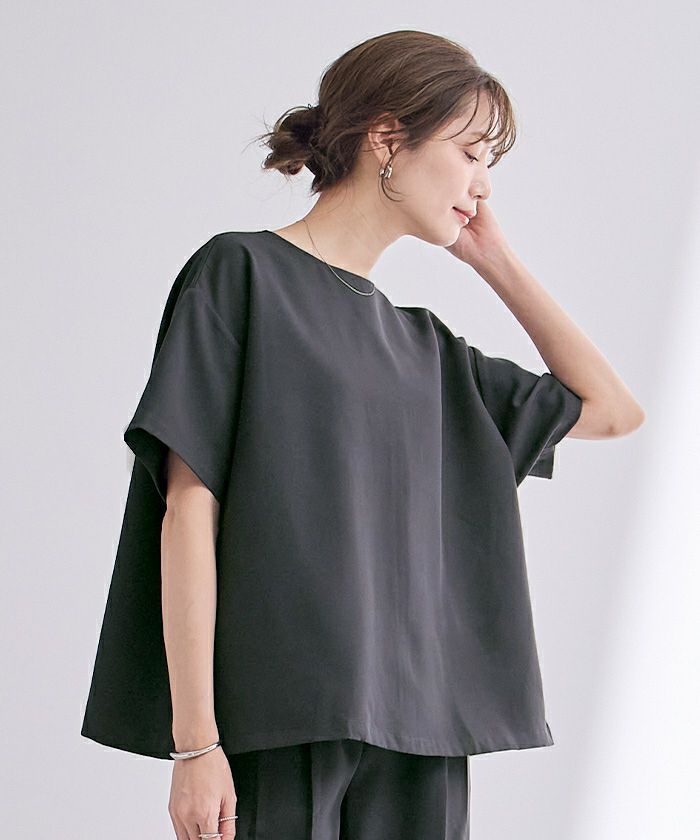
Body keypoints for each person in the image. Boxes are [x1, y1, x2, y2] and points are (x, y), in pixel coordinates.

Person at [80, 29, 645, 840]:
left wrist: (495, 260)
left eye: (490, 163)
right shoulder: (243, 277)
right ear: (386, 137)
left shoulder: (429, 351)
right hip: (282, 722)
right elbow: (188, 510)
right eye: (471, 153)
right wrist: (196, 742)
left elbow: (612, 410)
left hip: (421, 739)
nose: (483, 184)